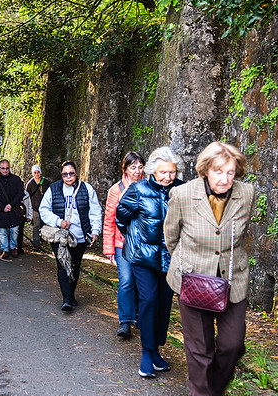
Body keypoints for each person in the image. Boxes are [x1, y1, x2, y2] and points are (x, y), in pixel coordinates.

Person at [164, 142, 256, 396]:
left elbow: (240, 235)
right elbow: (171, 237)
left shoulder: (247, 194)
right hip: (193, 281)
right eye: (218, 172)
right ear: (206, 170)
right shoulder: (182, 194)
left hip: (232, 281)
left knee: (232, 343)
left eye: (230, 173)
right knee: (199, 349)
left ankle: (215, 393)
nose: (224, 179)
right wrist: (189, 264)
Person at [116, 146, 184, 379]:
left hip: (169, 257)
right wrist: (136, 237)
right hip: (142, 256)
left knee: (164, 303)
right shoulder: (138, 190)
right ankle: (146, 352)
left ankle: (155, 350)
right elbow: (121, 216)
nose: (168, 177)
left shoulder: (182, 190)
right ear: (153, 171)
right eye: (163, 172)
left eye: (172, 172)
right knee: (148, 298)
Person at [38, 161, 102, 311]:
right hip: (60, 236)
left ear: (76, 173)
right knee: (62, 264)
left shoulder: (87, 189)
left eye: (71, 173)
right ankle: (66, 299)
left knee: (75, 265)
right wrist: (58, 221)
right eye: (65, 174)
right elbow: (44, 209)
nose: (68, 176)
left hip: (80, 236)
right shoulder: (53, 189)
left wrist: (95, 231)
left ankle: (71, 294)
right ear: (61, 175)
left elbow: (95, 211)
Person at [102, 151, 145, 339]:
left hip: (144, 243)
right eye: (132, 167)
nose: (137, 171)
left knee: (140, 281)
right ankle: (125, 321)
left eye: (140, 167)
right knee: (126, 280)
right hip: (122, 243)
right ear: (125, 169)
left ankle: (138, 316)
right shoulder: (116, 190)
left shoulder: (149, 186)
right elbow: (109, 220)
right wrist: (109, 249)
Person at [0, 159, 25, 259]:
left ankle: (13, 247)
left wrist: (11, 205)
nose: (5, 170)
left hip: (13, 209)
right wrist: (2, 207)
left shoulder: (16, 179)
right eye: (3, 168)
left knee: (14, 230)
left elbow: (20, 194)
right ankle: (5, 249)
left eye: (7, 168)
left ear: (9, 168)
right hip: (1, 211)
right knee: (2, 231)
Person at [25, 165, 51, 252]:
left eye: (38, 172)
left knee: (44, 224)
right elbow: (27, 196)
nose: (37, 174)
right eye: (35, 173)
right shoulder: (30, 184)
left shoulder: (46, 182)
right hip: (35, 207)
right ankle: (36, 243)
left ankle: (43, 239)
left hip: (45, 207)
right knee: (36, 225)